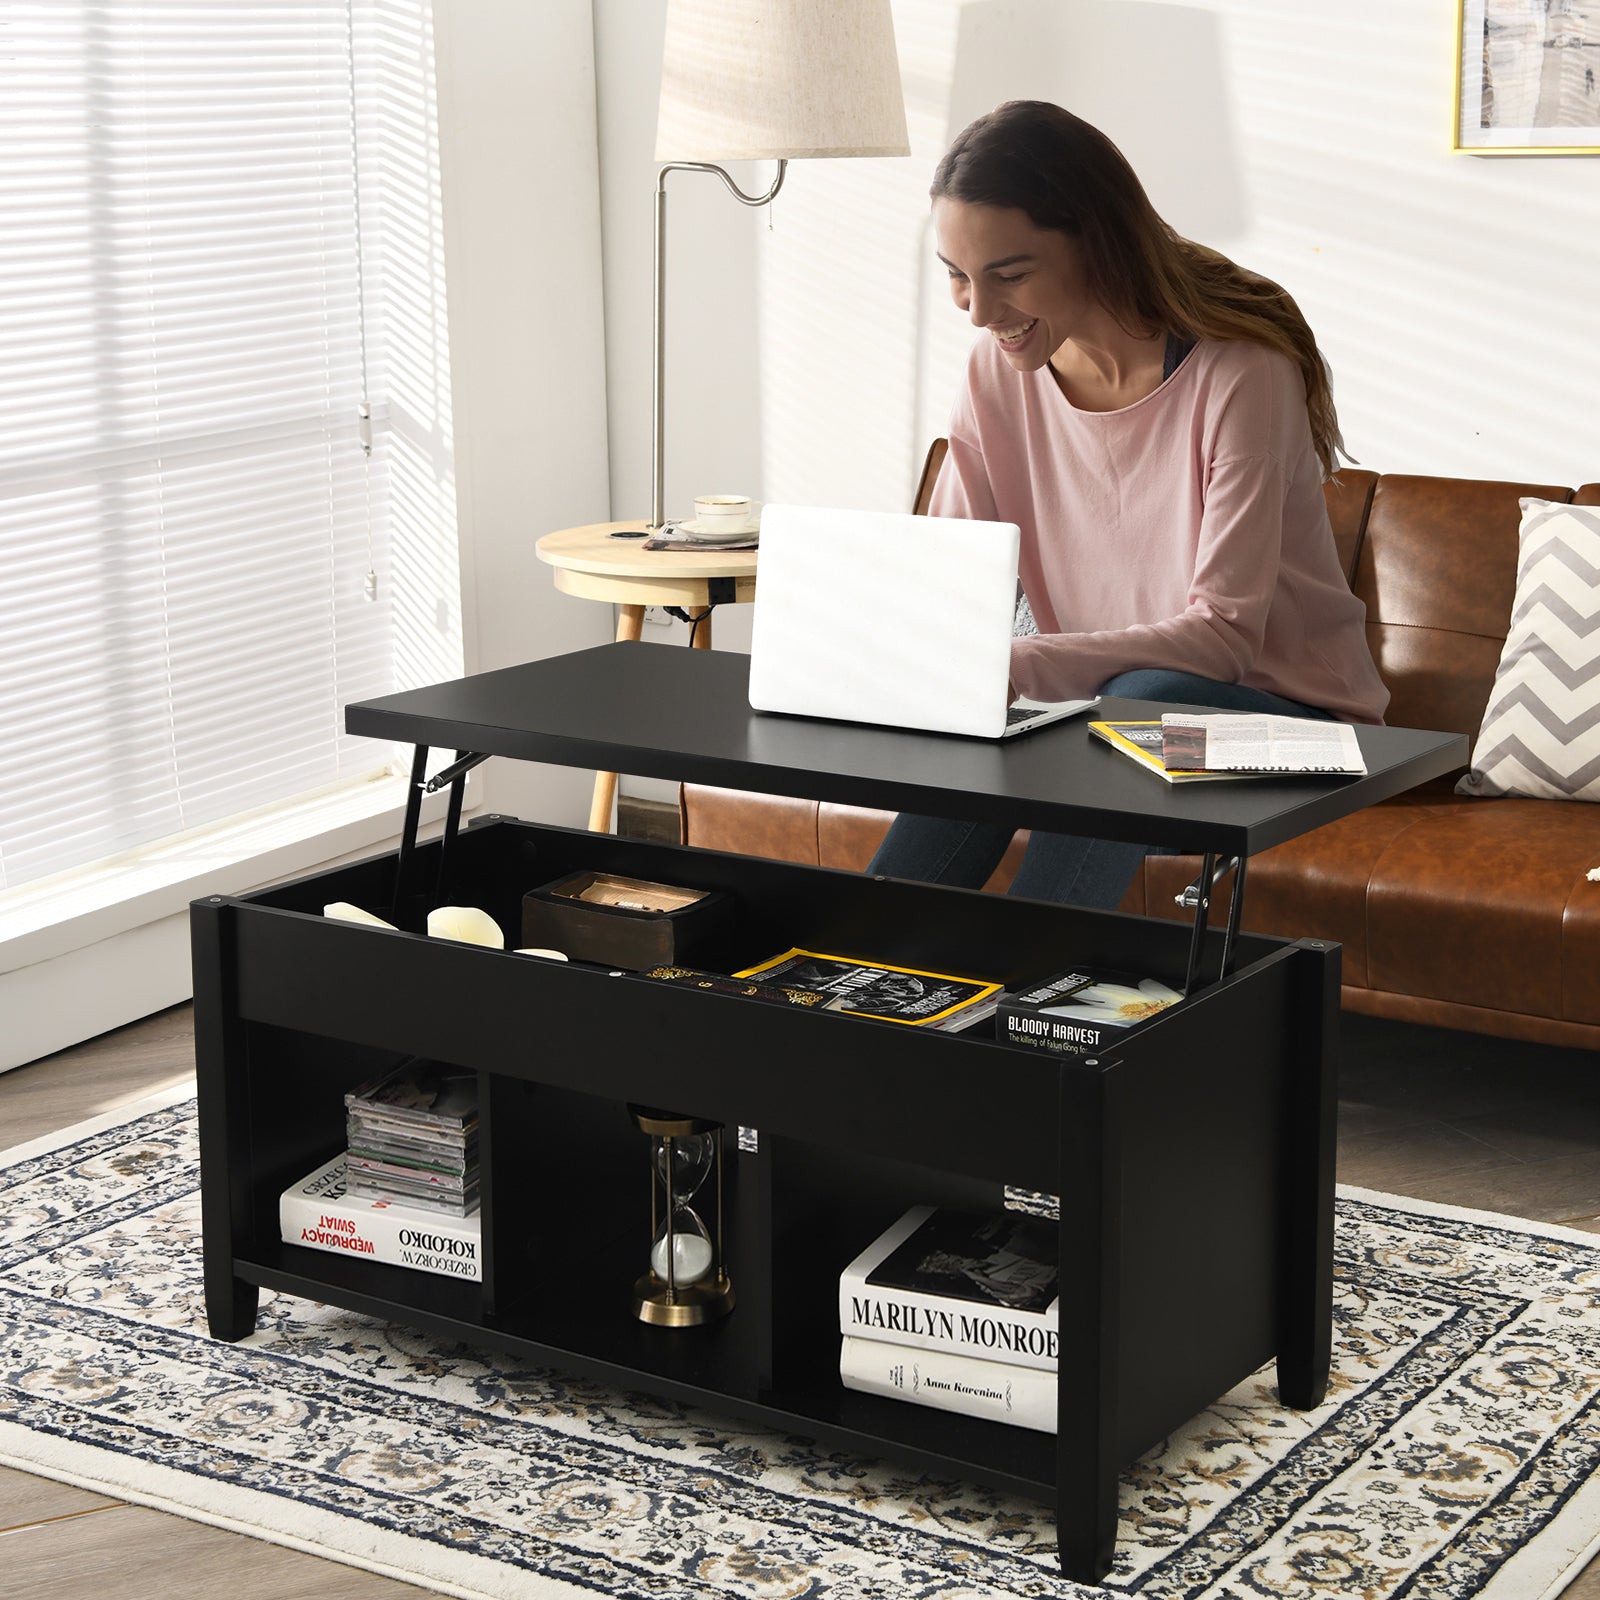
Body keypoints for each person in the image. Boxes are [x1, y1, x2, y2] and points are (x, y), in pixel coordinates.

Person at [868, 100, 1389, 909]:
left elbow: (1221, 639)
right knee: (1037, 724)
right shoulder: (994, 375)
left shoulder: (1240, 373)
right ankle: (856, 992)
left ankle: (1029, 1014)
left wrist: (1024, 670)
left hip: (1299, 738)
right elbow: (950, 586)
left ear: (1099, 242)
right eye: (956, 276)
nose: (977, 309)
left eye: (1009, 274)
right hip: (1110, 718)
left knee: (1134, 707)